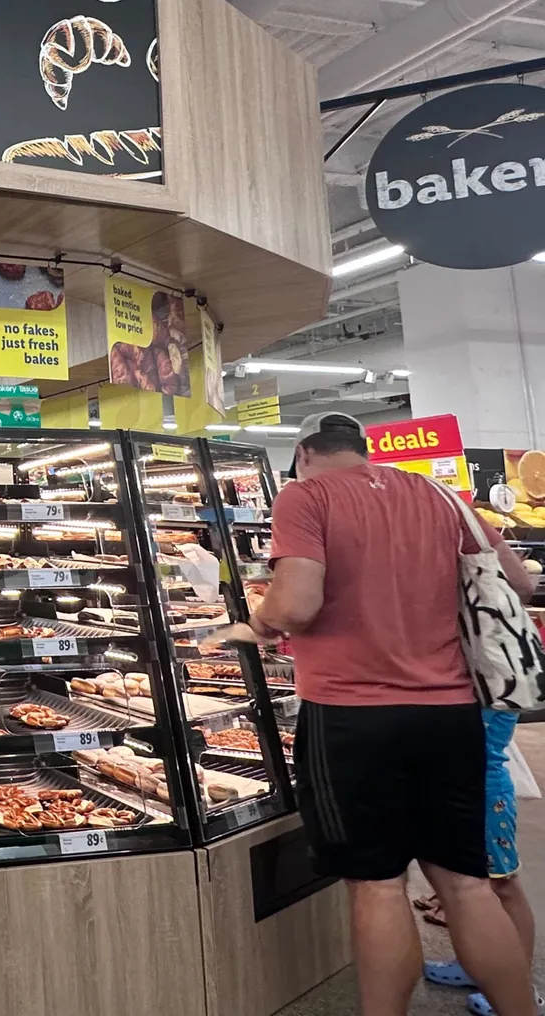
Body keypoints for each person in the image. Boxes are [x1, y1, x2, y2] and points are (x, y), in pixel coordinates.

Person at [248, 411, 538, 1016]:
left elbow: (298, 603)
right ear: (363, 448)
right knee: (464, 882)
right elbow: (519, 583)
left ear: (303, 452)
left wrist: (257, 619)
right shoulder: (438, 495)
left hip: (353, 715)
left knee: (377, 888)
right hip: (451, 712)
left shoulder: (306, 496)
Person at [421, 706, 536, 1015]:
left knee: (503, 886)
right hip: (457, 790)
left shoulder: (497, 669)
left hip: (484, 794)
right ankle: (478, 963)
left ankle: (520, 988)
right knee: (466, 886)